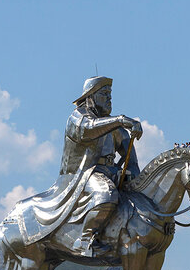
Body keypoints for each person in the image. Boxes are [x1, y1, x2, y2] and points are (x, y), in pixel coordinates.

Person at [56, 76, 142, 256]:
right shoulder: (78, 118)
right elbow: (89, 128)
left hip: (110, 171)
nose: (109, 98)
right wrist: (120, 120)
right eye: (104, 94)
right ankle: (85, 241)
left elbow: (126, 145)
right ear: (90, 97)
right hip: (84, 174)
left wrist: (133, 166)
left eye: (110, 94)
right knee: (106, 194)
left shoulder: (111, 125)